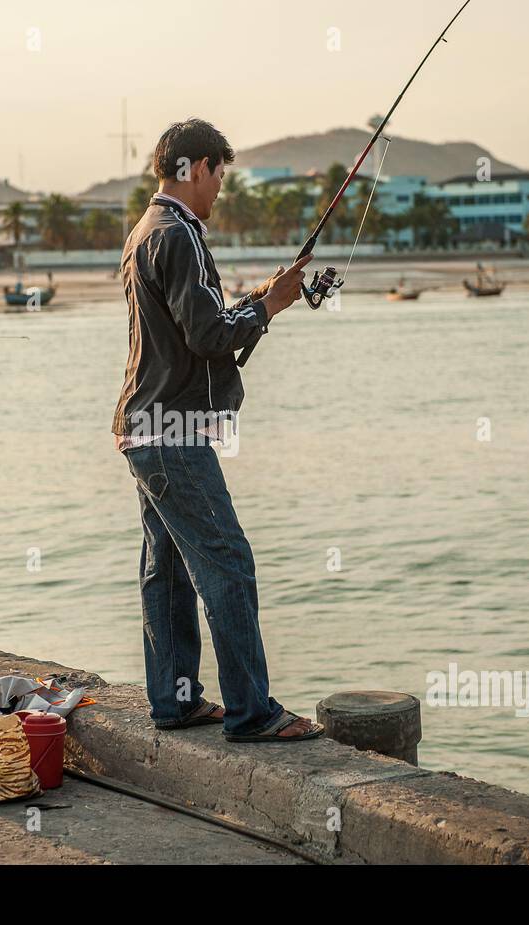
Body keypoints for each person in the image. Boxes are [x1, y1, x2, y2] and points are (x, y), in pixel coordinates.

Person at [111, 118, 324, 742]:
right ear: (195, 168)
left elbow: (195, 326)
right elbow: (208, 335)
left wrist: (259, 298)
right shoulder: (176, 235)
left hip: (146, 425)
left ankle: (176, 701)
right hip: (171, 433)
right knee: (227, 562)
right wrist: (271, 305)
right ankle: (252, 713)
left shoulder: (147, 231)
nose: (221, 187)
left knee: (169, 567)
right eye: (219, 174)